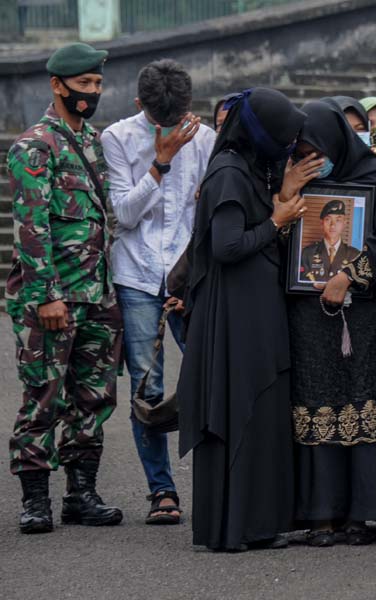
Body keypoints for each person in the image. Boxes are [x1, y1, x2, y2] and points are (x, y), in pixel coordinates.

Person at [177, 88, 308, 551]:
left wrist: (281, 201)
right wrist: (278, 220)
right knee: (243, 410)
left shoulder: (245, 169)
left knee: (259, 410)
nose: (289, 146)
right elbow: (226, 247)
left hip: (251, 308)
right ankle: (238, 526)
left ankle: (254, 523)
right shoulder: (229, 173)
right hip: (235, 315)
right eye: (284, 137)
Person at [6, 42, 123, 533]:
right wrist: (47, 294)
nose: (92, 93)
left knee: (93, 396)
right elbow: (31, 227)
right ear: (58, 85)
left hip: (97, 294)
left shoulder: (92, 140)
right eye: (84, 85)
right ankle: (36, 501)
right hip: (52, 298)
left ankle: (82, 495)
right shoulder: (35, 145)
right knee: (43, 396)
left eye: (97, 84)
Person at [100, 59, 216, 525]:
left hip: (190, 275)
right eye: (158, 120)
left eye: (177, 118)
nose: (170, 127)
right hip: (137, 275)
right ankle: (162, 491)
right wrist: (161, 162)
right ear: (138, 106)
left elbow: (205, 213)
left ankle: (217, 483)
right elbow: (123, 216)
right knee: (147, 390)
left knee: (211, 371)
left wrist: (188, 278)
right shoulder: (117, 138)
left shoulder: (206, 140)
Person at [289, 99, 376, 547]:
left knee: (364, 398)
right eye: (303, 149)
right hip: (310, 316)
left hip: (367, 316)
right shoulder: (296, 182)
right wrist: (286, 191)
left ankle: (363, 514)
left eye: (316, 147)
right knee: (318, 400)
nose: (311, 157)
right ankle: (322, 515)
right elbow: (282, 242)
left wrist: (348, 275)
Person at [300, 199, 361, 282]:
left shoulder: (355, 255)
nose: (333, 225)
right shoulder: (307, 253)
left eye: (338, 220)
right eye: (328, 219)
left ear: (344, 223)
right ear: (322, 223)